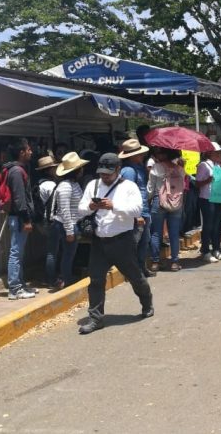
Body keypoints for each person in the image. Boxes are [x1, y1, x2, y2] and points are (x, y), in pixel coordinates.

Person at [76, 153, 154, 334]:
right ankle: (96, 318)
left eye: (108, 174)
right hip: (99, 241)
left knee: (135, 277)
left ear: (118, 170)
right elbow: (80, 210)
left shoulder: (129, 186)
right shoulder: (93, 185)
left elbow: (137, 210)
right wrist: (91, 207)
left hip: (122, 241)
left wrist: (113, 205)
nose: (104, 177)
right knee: (95, 280)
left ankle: (146, 301)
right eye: (102, 173)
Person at [48, 152, 88, 290]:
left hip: (72, 223)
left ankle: (65, 278)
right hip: (66, 225)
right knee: (67, 255)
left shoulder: (74, 184)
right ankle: (65, 280)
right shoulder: (65, 186)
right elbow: (64, 210)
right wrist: (69, 231)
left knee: (68, 254)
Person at [3, 138, 36, 300]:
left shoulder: (18, 170)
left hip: (17, 218)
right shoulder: (17, 172)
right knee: (16, 252)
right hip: (18, 218)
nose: (31, 152)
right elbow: (19, 199)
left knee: (18, 252)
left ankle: (20, 284)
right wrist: (27, 220)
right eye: (28, 150)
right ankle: (15, 288)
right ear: (21, 152)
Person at [119, 138, 156, 278]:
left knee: (143, 242)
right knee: (134, 244)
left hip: (143, 210)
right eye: (139, 154)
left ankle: (141, 268)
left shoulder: (138, 168)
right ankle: (133, 272)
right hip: (137, 213)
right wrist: (137, 215)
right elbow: (127, 193)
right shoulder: (129, 171)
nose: (142, 156)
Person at [149, 148, 186, 272]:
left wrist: (148, 200)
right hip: (176, 203)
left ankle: (155, 262)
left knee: (156, 233)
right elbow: (183, 186)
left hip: (158, 202)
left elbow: (150, 188)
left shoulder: (156, 168)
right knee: (174, 233)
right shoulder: (180, 169)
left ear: (163, 154)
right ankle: (174, 262)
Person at [197, 144, 221, 263]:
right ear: (209, 153)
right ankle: (205, 250)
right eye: (217, 153)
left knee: (218, 224)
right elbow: (197, 184)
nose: (220, 155)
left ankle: (216, 248)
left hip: (218, 198)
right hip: (207, 198)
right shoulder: (203, 165)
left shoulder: (218, 165)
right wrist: (208, 180)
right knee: (208, 225)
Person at [36, 154, 60, 288]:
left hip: (41, 220)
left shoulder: (39, 183)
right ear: (50, 170)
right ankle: (51, 279)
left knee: (50, 250)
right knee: (52, 251)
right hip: (50, 220)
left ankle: (48, 277)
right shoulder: (51, 185)